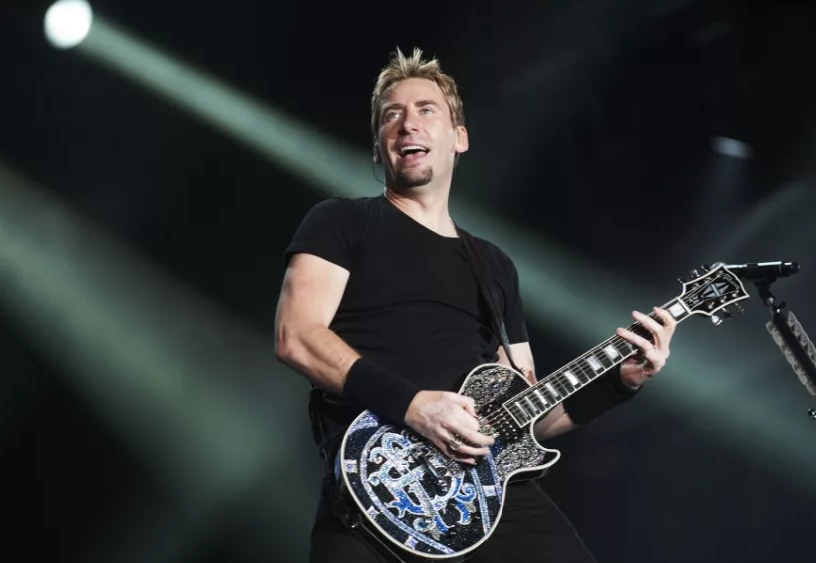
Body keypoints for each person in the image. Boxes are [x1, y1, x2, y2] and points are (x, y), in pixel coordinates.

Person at [274, 47, 678, 563]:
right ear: (378, 148)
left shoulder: (494, 265)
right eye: (391, 115)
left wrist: (620, 383)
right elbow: (297, 335)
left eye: (426, 110)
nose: (407, 124)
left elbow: (529, 416)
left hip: (485, 496)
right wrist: (415, 406)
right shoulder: (341, 222)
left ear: (458, 138)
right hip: (381, 488)